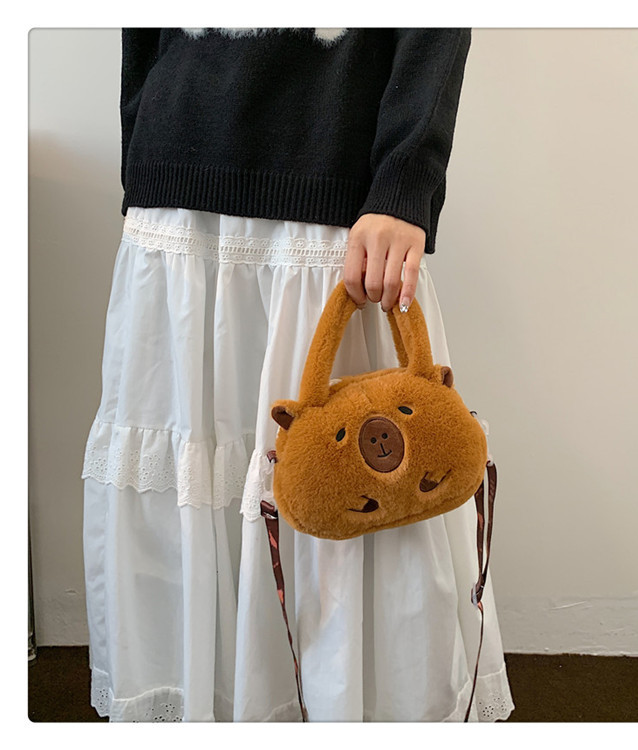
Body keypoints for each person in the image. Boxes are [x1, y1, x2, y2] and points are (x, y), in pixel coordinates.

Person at [81, 27, 515, 722]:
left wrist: (406, 181)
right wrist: (142, 161)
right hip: (175, 202)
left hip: (330, 190)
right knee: (197, 481)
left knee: (354, 481)